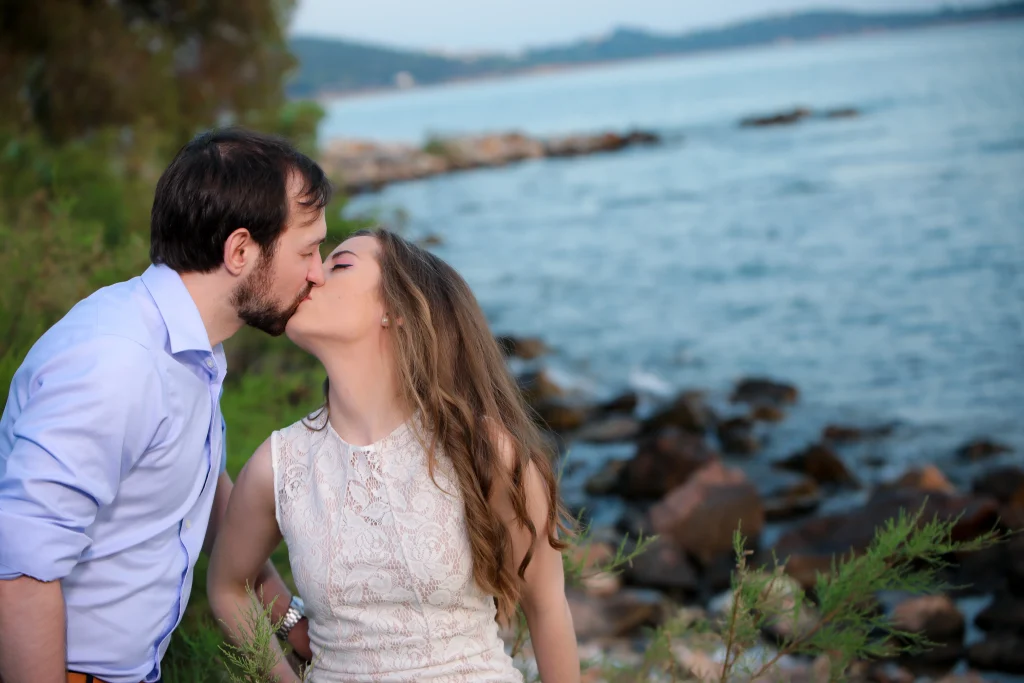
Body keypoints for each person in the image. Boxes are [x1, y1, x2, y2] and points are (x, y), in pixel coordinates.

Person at [0, 128, 328, 683]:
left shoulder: (189, 349)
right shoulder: (118, 361)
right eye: (307, 250)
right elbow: (20, 567)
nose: (318, 271)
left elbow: (202, 488)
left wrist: (296, 624)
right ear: (241, 250)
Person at [208, 228, 580, 682]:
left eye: (338, 265)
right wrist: (289, 653)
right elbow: (229, 587)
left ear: (396, 311)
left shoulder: (482, 448)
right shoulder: (279, 464)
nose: (312, 275)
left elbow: (547, 606)